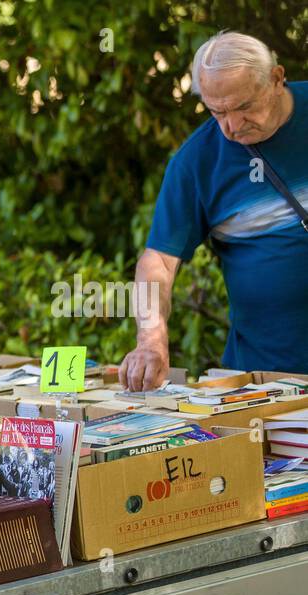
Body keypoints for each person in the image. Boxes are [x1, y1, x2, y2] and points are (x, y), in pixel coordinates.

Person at [121, 32, 308, 391]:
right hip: (268, 381)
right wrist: (151, 341)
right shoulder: (198, 161)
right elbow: (158, 260)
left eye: (244, 107)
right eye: (217, 111)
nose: (232, 127)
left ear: (276, 78)